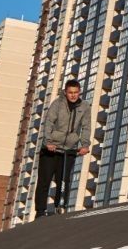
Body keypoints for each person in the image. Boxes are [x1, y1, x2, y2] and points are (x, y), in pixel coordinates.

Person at [35, 79, 91, 216]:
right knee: (44, 180)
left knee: (64, 180)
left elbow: (86, 127)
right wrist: (48, 142)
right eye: (70, 92)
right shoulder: (57, 104)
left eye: (76, 92)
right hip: (51, 148)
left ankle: (60, 207)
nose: (73, 95)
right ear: (65, 92)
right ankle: (40, 211)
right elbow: (49, 123)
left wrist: (85, 145)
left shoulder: (84, 106)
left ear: (79, 92)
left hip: (69, 149)